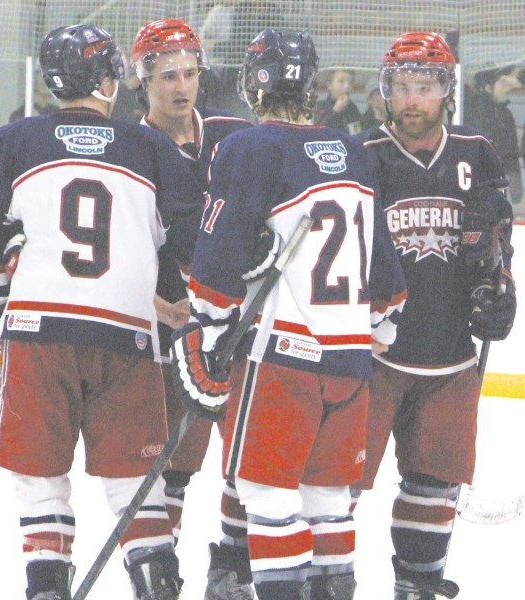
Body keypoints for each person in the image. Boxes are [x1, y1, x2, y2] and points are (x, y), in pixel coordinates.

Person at [0, 23, 204, 600]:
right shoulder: (150, 147)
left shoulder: (13, 140)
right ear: (106, 79)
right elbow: (194, 244)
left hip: (39, 336)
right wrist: (190, 303)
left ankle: (47, 587)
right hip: (127, 337)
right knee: (135, 485)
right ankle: (156, 586)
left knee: (40, 478)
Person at [170, 28, 407, 600]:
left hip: (283, 358)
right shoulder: (351, 148)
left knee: (268, 497)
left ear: (256, 81)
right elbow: (387, 282)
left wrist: (210, 321)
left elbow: (216, 263)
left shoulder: (247, 147)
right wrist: (372, 328)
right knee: (328, 502)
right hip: (351, 361)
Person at [354, 32, 517, 599]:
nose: (413, 99)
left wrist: (500, 291)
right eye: (402, 87)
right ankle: (323, 578)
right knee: (336, 484)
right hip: (369, 356)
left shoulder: (476, 151)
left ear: (446, 90)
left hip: (450, 354)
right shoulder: (361, 154)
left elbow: (496, 240)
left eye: (425, 86)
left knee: (434, 481)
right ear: (385, 92)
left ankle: (418, 583)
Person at [129, 18, 257, 600]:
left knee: (248, 452)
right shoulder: (129, 148)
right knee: (174, 461)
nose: (181, 87)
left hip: (238, 323)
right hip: (169, 329)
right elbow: (125, 245)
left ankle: (231, 564)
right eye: (166, 76)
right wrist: (157, 302)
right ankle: (163, 570)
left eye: (189, 74)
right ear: (143, 82)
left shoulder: (233, 133)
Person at [464, 66, 524, 205]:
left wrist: (515, 177)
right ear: (487, 87)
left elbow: (512, 150)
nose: (508, 88)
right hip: (478, 182)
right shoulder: (476, 110)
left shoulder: (505, 115)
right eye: (502, 83)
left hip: (497, 182)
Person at [313, 69, 363, 134]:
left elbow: (357, 133)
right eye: (341, 81)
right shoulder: (319, 106)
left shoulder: (352, 108)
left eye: (350, 82)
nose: (347, 86)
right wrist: (336, 111)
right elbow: (318, 131)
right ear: (329, 85)